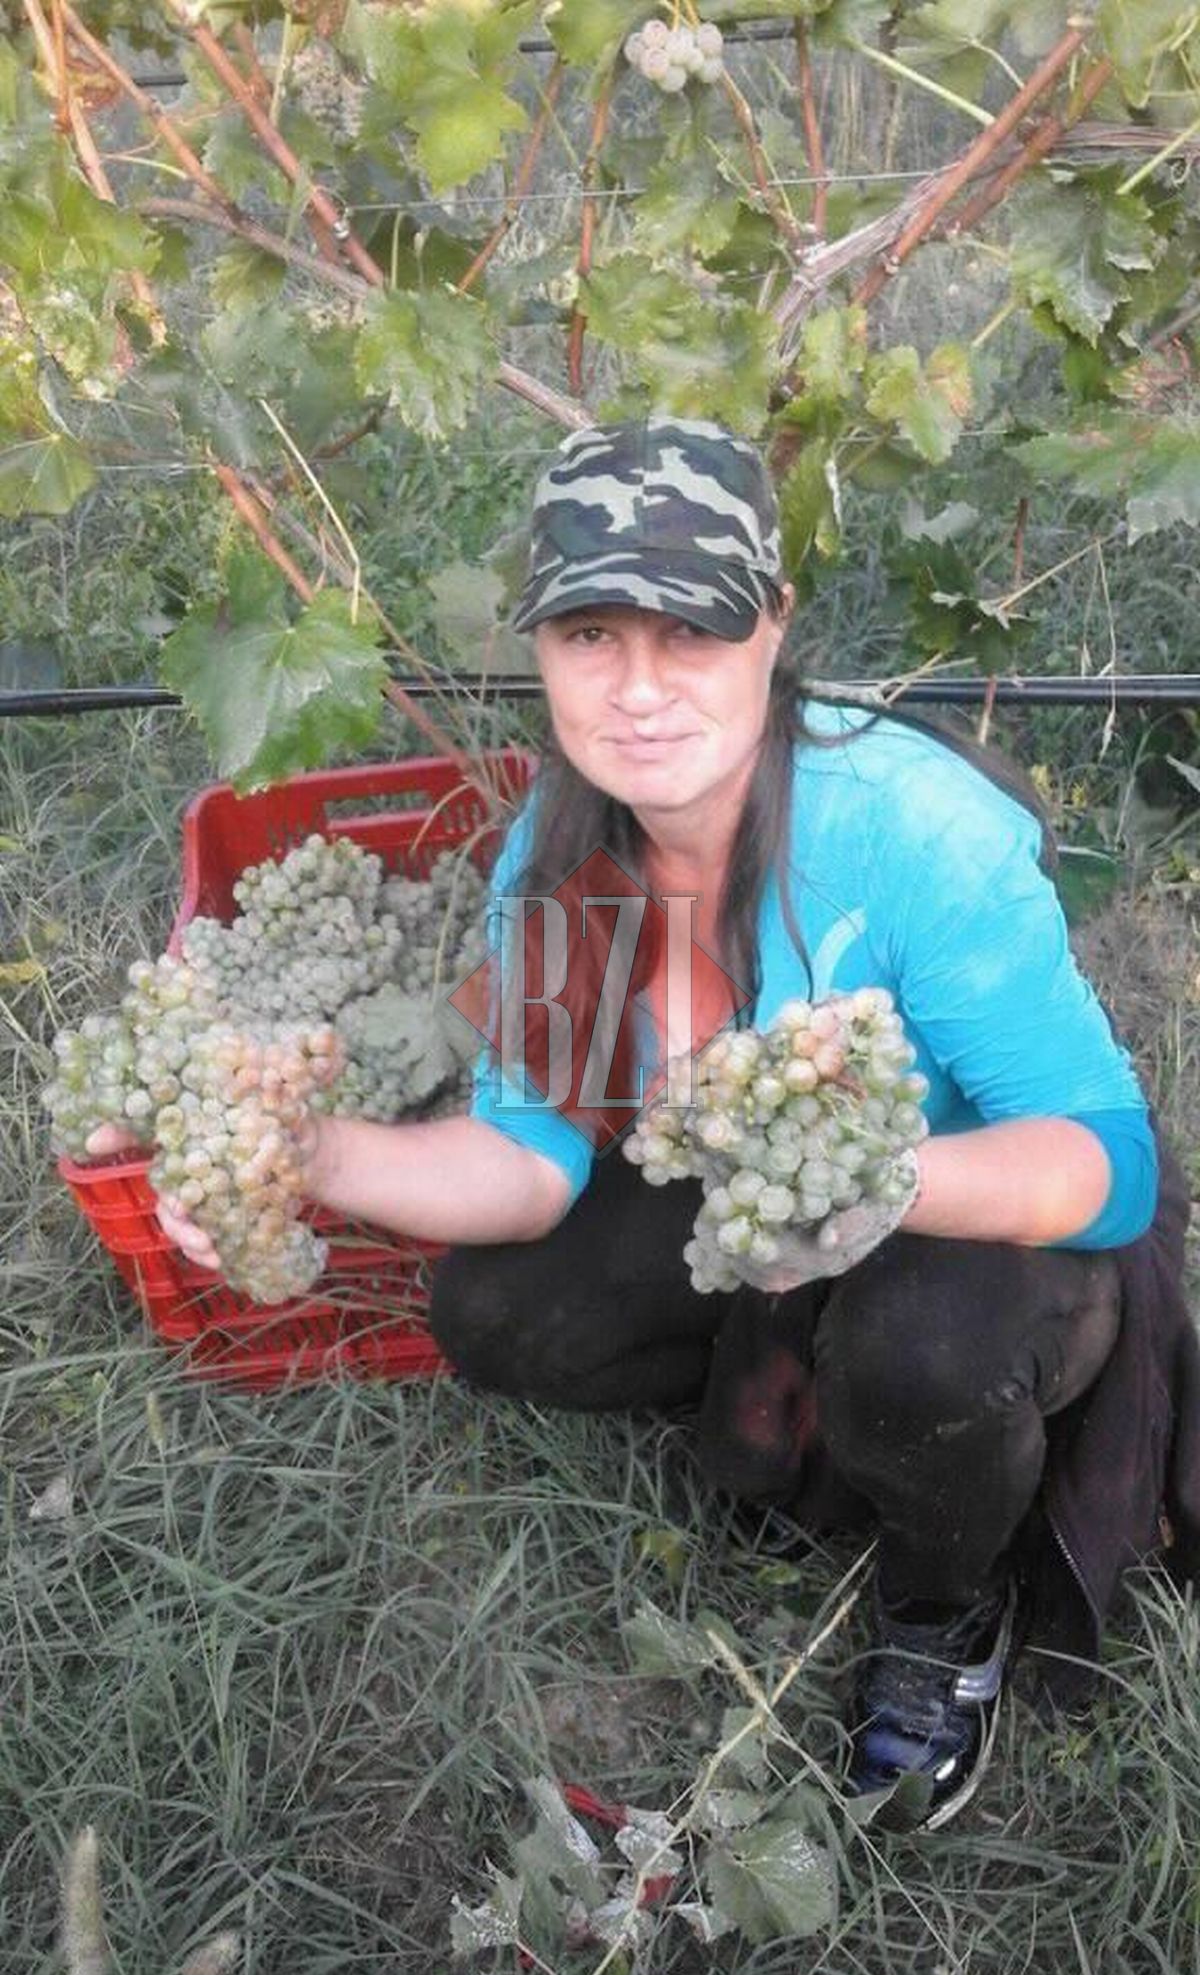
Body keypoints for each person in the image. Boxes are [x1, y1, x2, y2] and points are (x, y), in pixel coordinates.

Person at [88, 417, 1200, 1833]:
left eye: (694, 632)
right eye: (591, 634)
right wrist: (314, 1161)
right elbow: (531, 1159)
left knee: (919, 1355)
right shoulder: (562, 847)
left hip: (974, 1200)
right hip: (753, 1192)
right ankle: (808, 1407)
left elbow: (1109, 1168)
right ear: (542, 649)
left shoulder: (911, 840)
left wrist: (886, 1181)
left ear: (774, 630)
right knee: (493, 1313)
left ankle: (942, 1601)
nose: (640, 689)